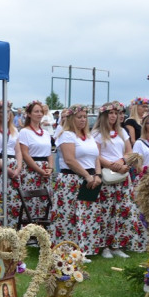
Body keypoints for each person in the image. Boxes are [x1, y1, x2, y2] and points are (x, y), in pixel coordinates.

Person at [92, 100, 145, 257]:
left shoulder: (122, 132)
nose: (114, 116)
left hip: (122, 173)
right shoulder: (97, 134)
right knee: (106, 210)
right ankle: (105, 246)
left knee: (122, 210)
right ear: (103, 115)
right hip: (107, 175)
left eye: (116, 113)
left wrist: (122, 162)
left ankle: (118, 244)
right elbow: (97, 155)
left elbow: (129, 151)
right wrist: (111, 165)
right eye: (110, 113)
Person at [50, 105, 102, 257]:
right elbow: (69, 159)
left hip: (91, 179)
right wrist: (86, 176)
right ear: (72, 118)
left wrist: (97, 175)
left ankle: (86, 248)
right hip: (72, 179)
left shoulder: (89, 136)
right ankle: (68, 249)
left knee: (87, 215)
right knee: (69, 216)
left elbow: (96, 157)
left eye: (85, 117)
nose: (83, 120)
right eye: (79, 117)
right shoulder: (66, 135)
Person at [16, 100, 53, 224]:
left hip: (45, 169)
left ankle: (42, 228)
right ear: (29, 114)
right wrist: (39, 170)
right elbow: (25, 154)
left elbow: (49, 153)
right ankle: (29, 229)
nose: (39, 114)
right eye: (36, 111)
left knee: (45, 200)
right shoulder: (25, 132)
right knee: (31, 200)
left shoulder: (46, 133)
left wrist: (50, 168)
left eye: (41, 111)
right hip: (32, 169)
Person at [0, 101, 22, 227]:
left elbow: (18, 151)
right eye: (3, 112)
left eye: (8, 111)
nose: (6, 114)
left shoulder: (14, 129)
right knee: (0, 200)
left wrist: (19, 167)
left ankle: (13, 228)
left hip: (13, 165)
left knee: (14, 201)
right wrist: (5, 168)